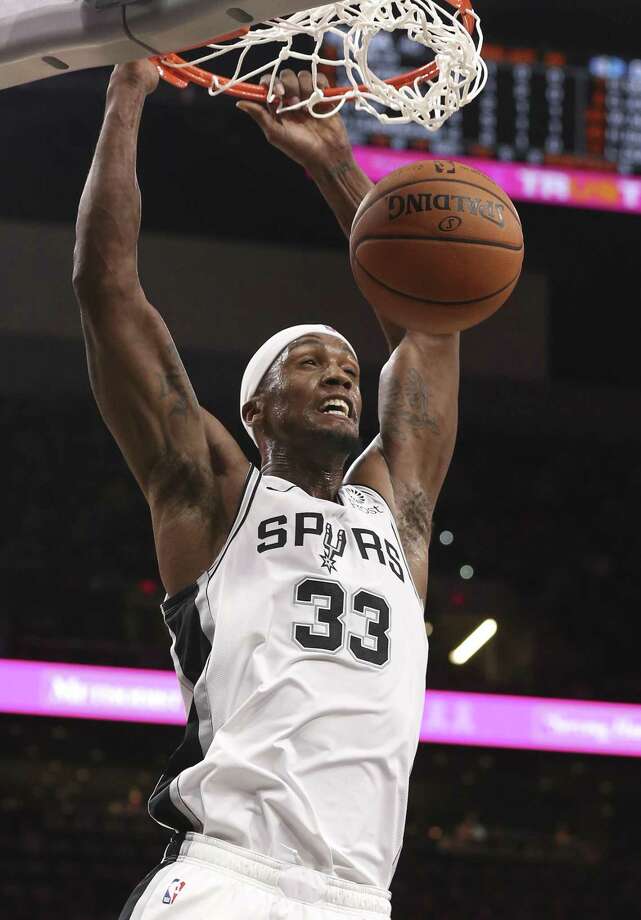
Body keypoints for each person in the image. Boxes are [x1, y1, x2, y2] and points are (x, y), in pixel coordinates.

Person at [72, 59, 459, 920]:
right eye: (309, 361)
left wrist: (331, 159)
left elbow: (426, 337)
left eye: (349, 365)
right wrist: (125, 94)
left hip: (359, 897)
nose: (339, 374)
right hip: (226, 876)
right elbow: (109, 293)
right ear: (254, 407)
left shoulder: (395, 512)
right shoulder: (212, 496)